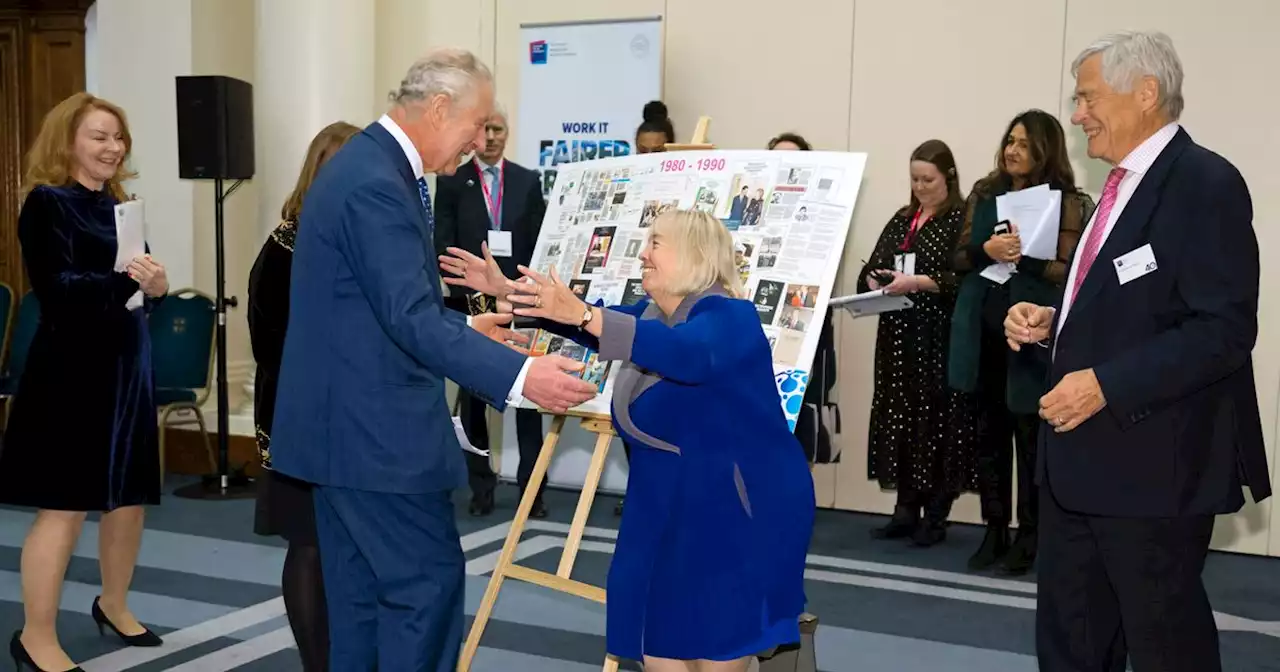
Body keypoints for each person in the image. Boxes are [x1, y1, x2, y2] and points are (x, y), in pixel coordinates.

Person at [265, 49, 597, 672]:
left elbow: (373, 307)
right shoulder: (376, 182)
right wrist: (524, 377)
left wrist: (470, 327)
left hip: (343, 441)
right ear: (440, 108)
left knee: (360, 605)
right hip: (376, 444)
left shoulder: (367, 166)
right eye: (477, 124)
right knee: (425, 595)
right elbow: (408, 317)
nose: (479, 142)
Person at [440, 209, 816, 672]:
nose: (643, 253)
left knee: (715, 652)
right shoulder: (655, 314)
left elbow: (685, 354)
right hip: (663, 511)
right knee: (656, 648)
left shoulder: (730, 317)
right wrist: (504, 292)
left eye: (656, 242)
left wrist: (584, 313)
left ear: (694, 253)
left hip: (732, 515)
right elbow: (580, 324)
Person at [1004, 31, 1271, 671]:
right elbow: (1127, 305)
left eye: (1087, 97)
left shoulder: (1205, 183)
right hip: (1077, 473)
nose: (1076, 115)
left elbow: (1223, 330)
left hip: (1154, 475)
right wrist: (1054, 322)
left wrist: (1105, 384)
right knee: (1072, 649)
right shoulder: (1116, 188)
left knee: (1163, 650)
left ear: (1145, 92)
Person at [0, 92, 168, 672]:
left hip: (127, 368)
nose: (113, 148)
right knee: (64, 509)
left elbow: (138, 282)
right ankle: (36, 636)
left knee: (128, 502)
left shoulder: (122, 205)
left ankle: (114, 604)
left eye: (119, 138)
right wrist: (126, 281)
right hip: (72, 373)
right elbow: (59, 291)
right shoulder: (46, 204)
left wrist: (157, 283)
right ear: (67, 140)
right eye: (100, 136)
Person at [947, 109, 1094, 575]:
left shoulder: (1068, 200)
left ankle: (1031, 536)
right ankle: (994, 530)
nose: (1013, 150)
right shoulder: (984, 193)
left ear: (1045, 149)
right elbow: (958, 257)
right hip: (984, 330)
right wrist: (984, 252)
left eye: (1025, 144)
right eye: (1010, 140)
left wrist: (1027, 258)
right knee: (988, 436)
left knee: (1030, 437)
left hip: (1031, 334)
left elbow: (1070, 270)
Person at [248, 120, 360, 672]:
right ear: (315, 173)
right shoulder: (284, 250)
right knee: (310, 545)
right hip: (301, 422)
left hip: (353, 424)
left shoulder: (358, 240)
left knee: (345, 549)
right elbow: (274, 346)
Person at [857, 140, 976, 546]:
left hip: (938, 337)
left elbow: (967, 280)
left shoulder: (961, 219)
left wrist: (919, 283)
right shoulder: (902, 218)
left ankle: (936, 517)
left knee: (938, 422)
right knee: (899, 418)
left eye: (929, 179)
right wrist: (874, 279)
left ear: (949, 178)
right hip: (897, 337)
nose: (921, 187)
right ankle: (905, 510)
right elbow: (872, 266)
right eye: (915, 179)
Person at [433, 103, 550, 518]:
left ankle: (532, 492)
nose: (493, 137)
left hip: (522, 301)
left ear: (507, 133)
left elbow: (539, 242)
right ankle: (480, 486)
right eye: (487, 129)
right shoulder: (451, 181)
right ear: (477, 134)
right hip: (472, 305)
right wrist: (467, 290)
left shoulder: (526, 180)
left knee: (529, 394)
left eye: (500, 129)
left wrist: (525, 290)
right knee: (475, 399)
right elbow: (442, 243)